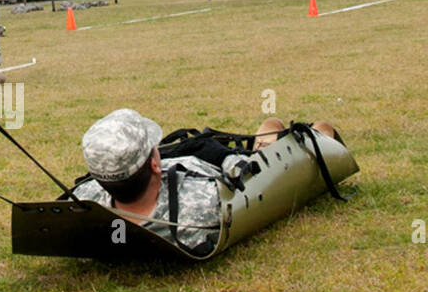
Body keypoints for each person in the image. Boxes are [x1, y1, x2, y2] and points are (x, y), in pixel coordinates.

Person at [73, 108, 343, 255]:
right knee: (307, 138)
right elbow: (244, 182)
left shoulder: (87, 201)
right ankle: (272, 145)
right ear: (155, 164)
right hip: (210, 169)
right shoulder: (202, 204)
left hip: (183, 168)